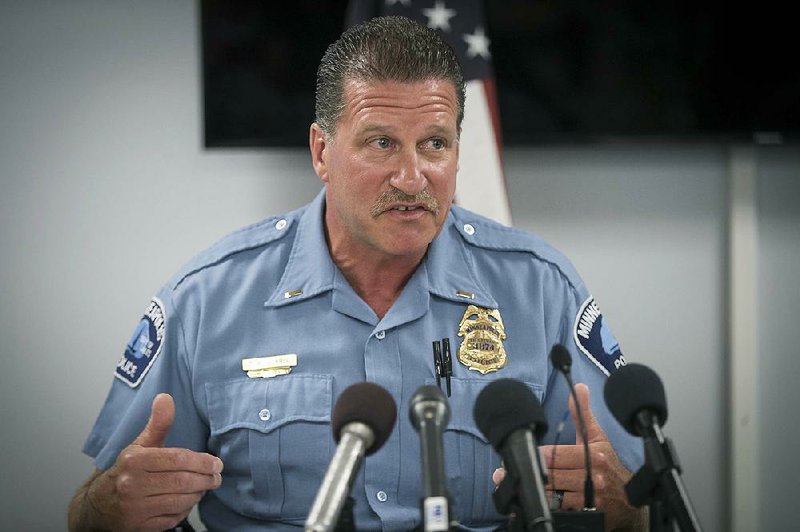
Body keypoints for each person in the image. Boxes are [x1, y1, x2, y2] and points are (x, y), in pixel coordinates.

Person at [69, 15, 645, 532]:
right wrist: (108, 510)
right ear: (322, 151)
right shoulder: (208, 299)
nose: (413, 177)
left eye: (435, 145)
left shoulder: (539, 290)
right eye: (381, 144)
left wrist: (622, 507)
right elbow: (92, 512)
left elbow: (631, 507)